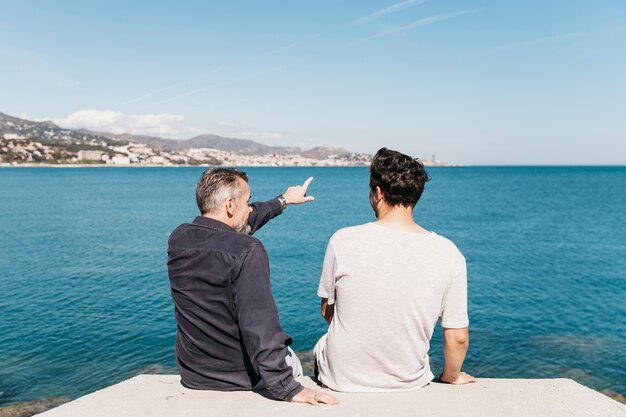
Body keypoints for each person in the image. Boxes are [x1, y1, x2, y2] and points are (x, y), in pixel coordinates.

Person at [167, 168, 338, 406]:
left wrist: (284, 200)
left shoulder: (179, 239)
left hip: (195, 374)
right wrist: (286, 387)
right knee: (305, 361)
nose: (250, 208)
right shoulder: (248, 249)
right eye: (247, 201)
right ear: (229, 204)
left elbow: (236, 227)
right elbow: (259, 323)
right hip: (242, 376)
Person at [314, 147, 477, 392]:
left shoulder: (343, 240)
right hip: (408, 382)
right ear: (416, 195)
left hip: (342, 380)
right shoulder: (449, 252)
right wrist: (452, 377)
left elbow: (328, 311)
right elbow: (458, 335)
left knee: (320, 346)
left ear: (377, 193)